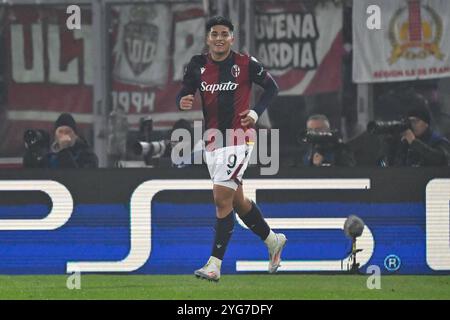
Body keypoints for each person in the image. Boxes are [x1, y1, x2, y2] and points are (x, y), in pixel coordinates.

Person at [176, 16, 285, 282]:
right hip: (212, 140)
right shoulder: (197, 64)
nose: (219, 38)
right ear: (208, 38)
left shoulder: (246, 64)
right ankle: (272, 240)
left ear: (232, 38)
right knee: (237, 200)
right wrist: (183, 99)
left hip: (240, 137)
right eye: (214, 33)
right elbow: (185, 90)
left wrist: (256, 113)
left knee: (220, 198)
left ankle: (214, 265)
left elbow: (272, 87)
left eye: (224, 33)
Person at [378, 99, 450, 167]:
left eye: (415, 121)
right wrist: (391, 143)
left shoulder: (439, 141)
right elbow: (389, 164)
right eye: (410, 121)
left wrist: (413, 142)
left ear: (426, 124)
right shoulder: (404, 141)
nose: (412, 125)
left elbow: (440, 160)